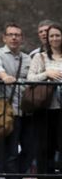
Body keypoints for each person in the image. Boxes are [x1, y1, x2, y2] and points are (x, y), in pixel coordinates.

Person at [0, 23, 32, 174]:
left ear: (22, 38)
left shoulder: (27, 58)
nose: (14, 37)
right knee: (10, 153)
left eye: (17, 35)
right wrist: (4, 76)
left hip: (27, 110)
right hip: (8, 111)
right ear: (4, 38)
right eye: (10, 34)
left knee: (30, 150)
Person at [27, 23, 62, 173]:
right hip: (44, 109)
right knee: (43, 149)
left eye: (58, 35)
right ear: (47, 39)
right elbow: (30, 78)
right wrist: (46, 74)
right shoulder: (39, 57)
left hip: (61, 110)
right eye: (51, 36)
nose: (54, 38)